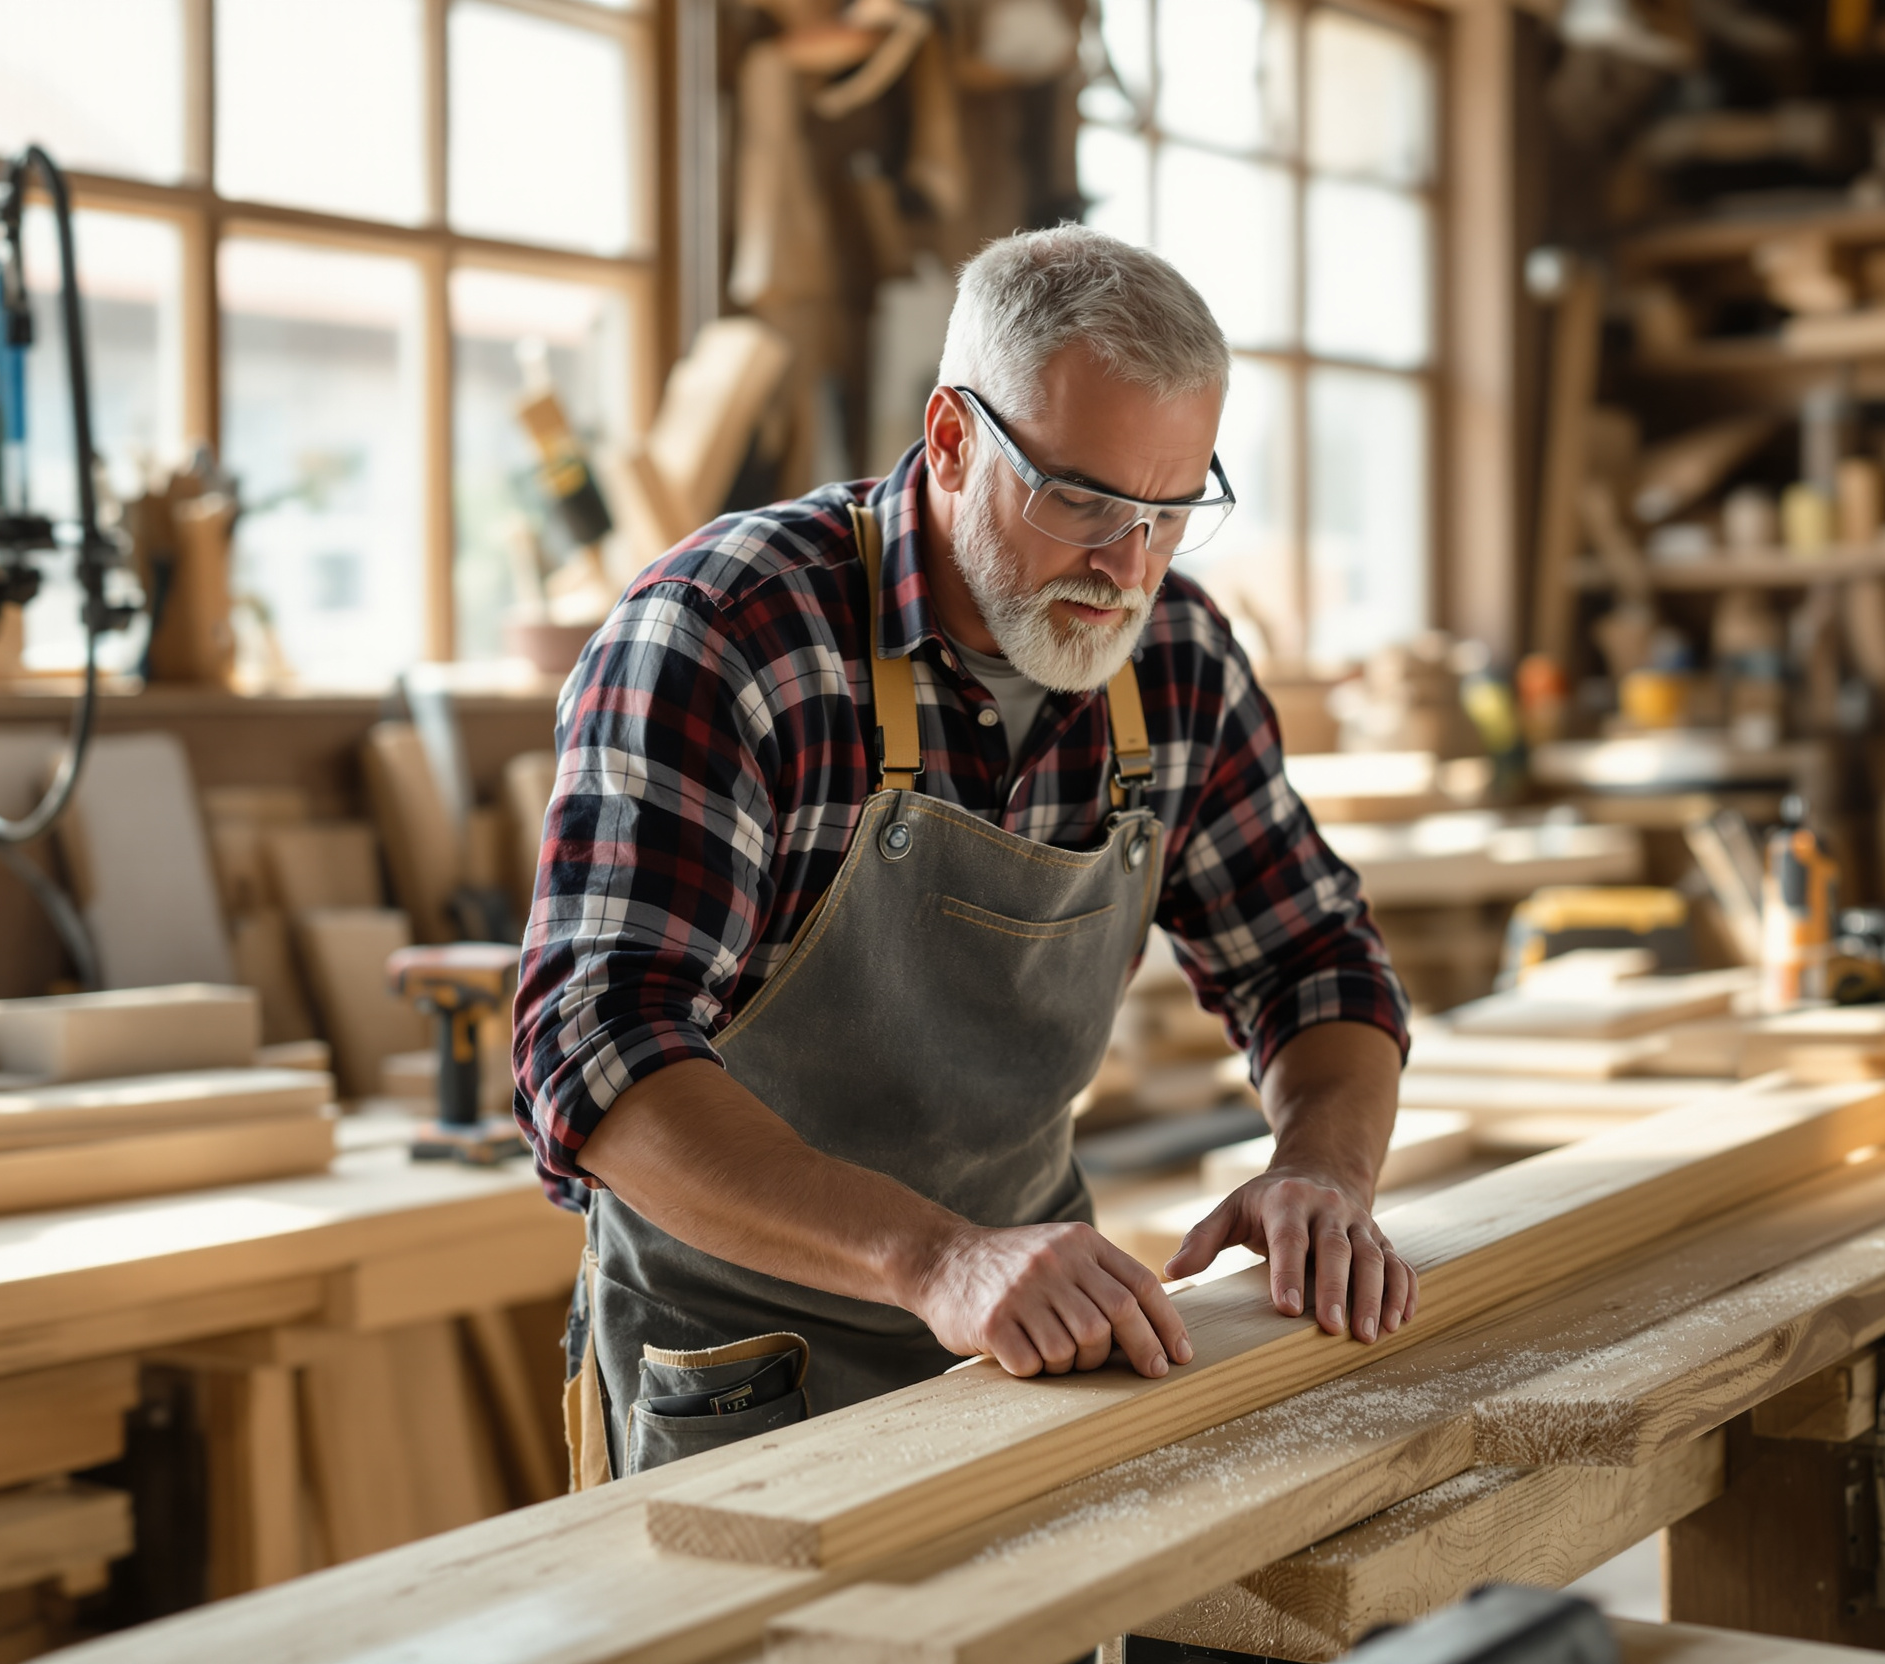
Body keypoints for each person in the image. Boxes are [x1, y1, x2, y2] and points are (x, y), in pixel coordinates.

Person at [514, 224, 1416, 1483]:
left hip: (1038, 1342)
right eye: (1085, 499)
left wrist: (1321, 1169)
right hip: (743, 1370)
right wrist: (936, 1255)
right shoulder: (725, 634)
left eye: (1169, 511)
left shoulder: (1178, 657)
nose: (1126, 566)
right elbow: (598, 1053)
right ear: (950, 438)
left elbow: (1316, 962)